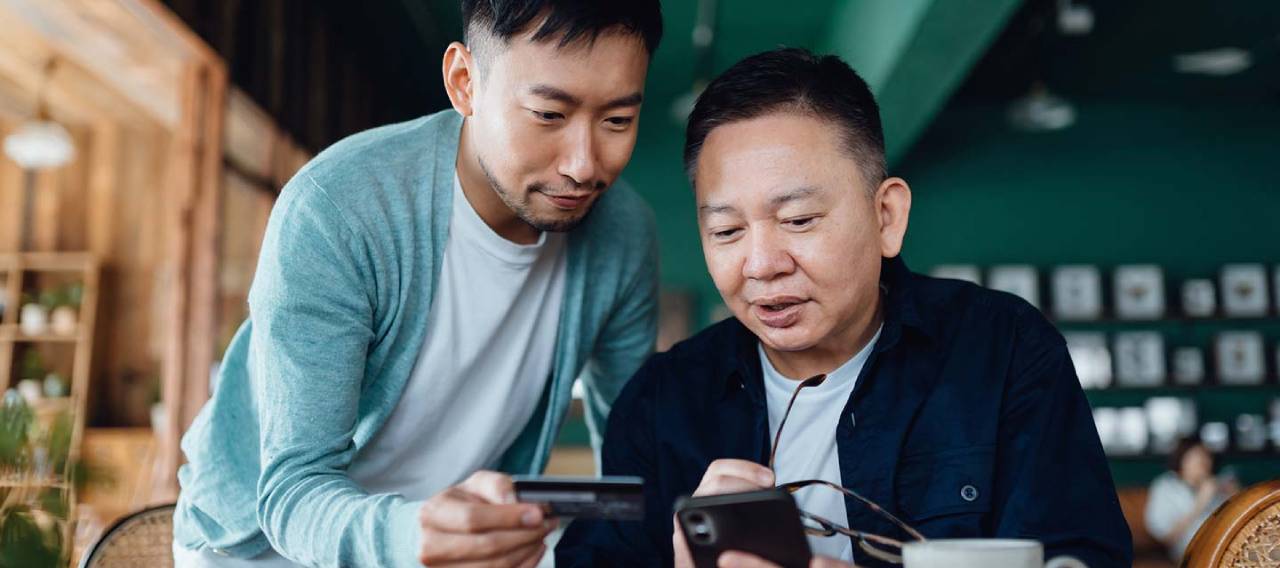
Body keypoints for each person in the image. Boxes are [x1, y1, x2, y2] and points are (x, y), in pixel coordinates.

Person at [556, 47, 1133, 567]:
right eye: (727, 230)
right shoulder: (661, 403)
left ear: (887, 217)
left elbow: (1083, 556)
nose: (761, 265)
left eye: (799, 221)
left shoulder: (1003, 350)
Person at [172, 1, 664, 566]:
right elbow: (291, 493)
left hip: (458, 549)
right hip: (263, 548)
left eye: (618, 121)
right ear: (464, 83)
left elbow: (630, 462)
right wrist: (412, 536)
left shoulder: (624, 237)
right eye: (549, 115)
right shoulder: (340, 207)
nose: (584, 165)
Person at [1144, 436, 1237, 561]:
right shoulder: (1165, 486)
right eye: (1196, 457)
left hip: (1225, 548)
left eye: (1206, 457)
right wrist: (1200, 502)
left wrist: (1237, 496)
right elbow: (1167, 538)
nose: (1203, 463)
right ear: (1181, 460)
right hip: (1189, 553)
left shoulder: (1216, 483)